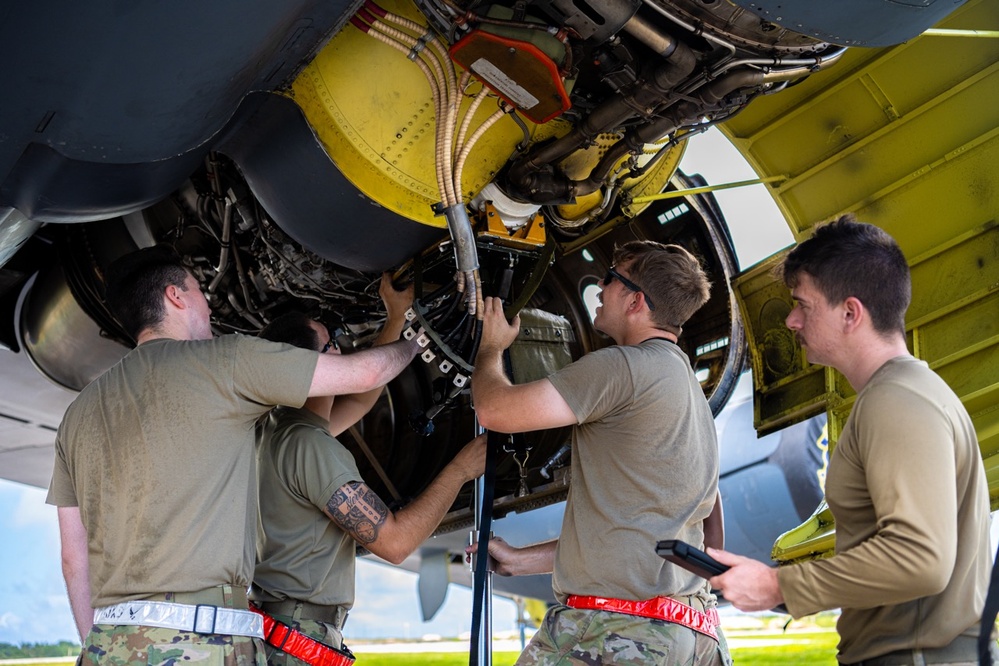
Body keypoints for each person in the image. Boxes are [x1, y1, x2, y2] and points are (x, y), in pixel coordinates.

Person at [45, 246, 421, 665]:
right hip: (200, 643)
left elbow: (73, 556)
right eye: (199, 292)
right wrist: (418, 337)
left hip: (108, 644)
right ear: (176, 296)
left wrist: (95, 646)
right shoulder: (223, 363)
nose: (208, 307)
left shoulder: (77, 414)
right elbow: (366, 374)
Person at [709, 216, 995, 665]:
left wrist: (777, 586)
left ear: (850, 313)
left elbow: (921, 558)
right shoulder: (897, 395)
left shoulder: (896, 401)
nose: (791, 320)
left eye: (803, 304)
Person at [467, 240, 731, 665]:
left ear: (635, 300)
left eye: (610, 278)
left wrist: (490, 348)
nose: (600, 288)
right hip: (691, 635)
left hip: (620, 634)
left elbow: (494, 410)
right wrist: (518, 561)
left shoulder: (622, 367)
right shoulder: (688, 390)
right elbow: (675, 536)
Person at [252, 282, 487, 666]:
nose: (341, 350)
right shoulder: (312, 446)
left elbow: (363, 397)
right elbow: (394, 544)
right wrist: (461, 469)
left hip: (282, 628)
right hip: (298, 637)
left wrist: (397, 319)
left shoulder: (278, 430)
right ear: (314, 367)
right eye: (331, 345)